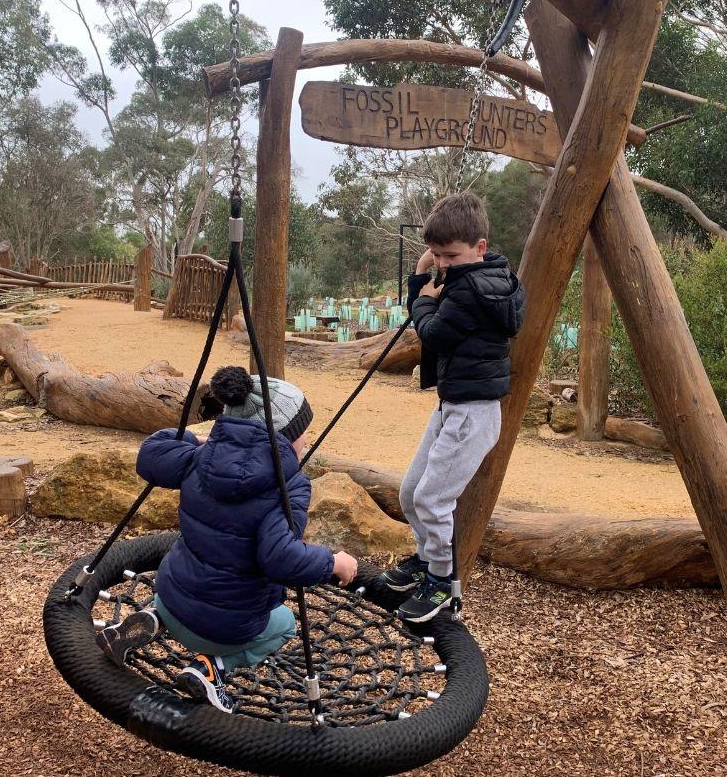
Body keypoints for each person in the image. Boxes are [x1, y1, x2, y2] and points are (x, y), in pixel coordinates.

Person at [96, 366, 359, 713]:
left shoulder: (200, 458)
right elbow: (280, 558)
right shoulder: (288, 485)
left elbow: (151, 455)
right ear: (287, 437)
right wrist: (334, 562)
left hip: (170, 595)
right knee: (285, 624)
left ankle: (153, 621)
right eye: (303, 435)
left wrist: (202, 441)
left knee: (193, 574)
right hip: (224, 630)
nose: (306, 442)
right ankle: (211, 668)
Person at [382, 191, 525, 622]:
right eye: (437, 254)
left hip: (472, 411)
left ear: (480, 247)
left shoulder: (471, 290)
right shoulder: (485, 277)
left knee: (431, 499)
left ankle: (443, 584)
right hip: (455, 405)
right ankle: (428, 563)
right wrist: (431, 271)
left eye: (450, 255)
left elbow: (432, 333)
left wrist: (420, 289)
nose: (442, 263)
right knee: (411, 492)